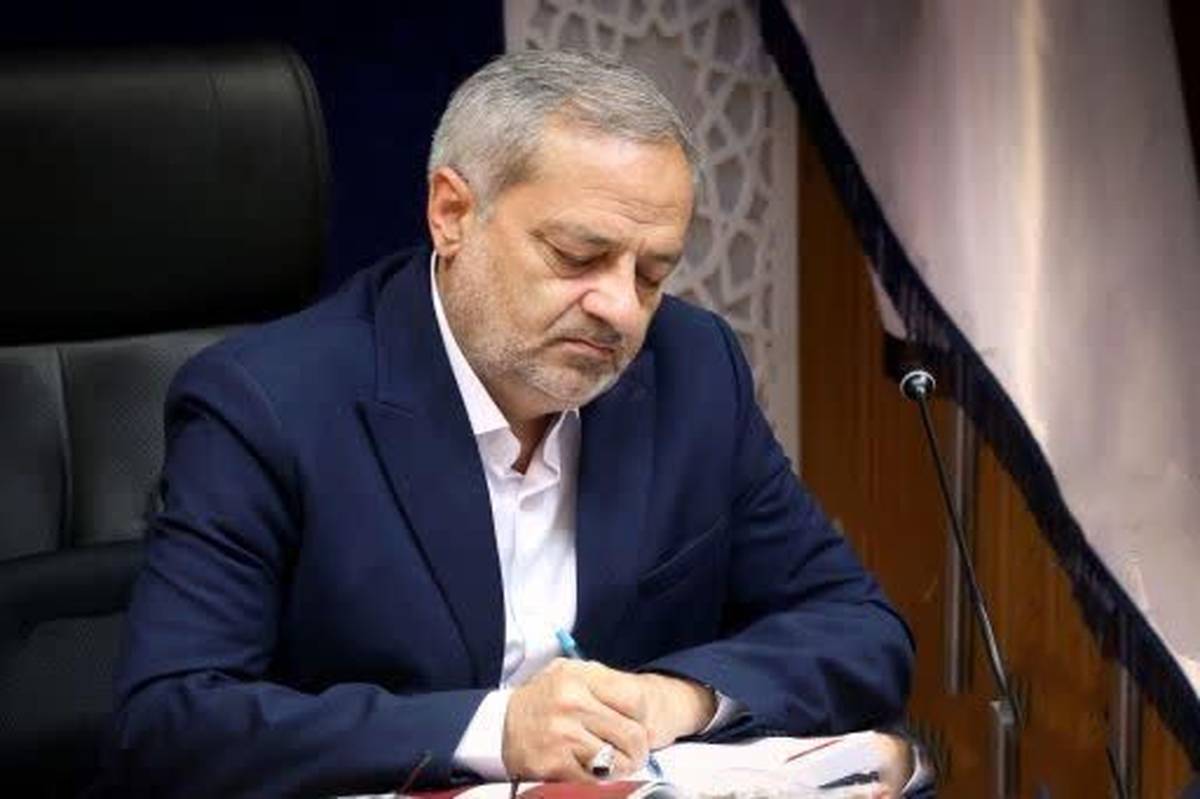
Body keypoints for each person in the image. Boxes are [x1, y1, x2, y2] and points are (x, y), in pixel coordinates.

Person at [106, 51, 919, 796]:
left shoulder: (691, 369)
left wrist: (675, 697)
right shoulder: (268, 402)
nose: (619, 308)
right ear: (452, 212)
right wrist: (497, 730)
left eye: (651, 273)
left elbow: (860, 630)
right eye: (578, 257)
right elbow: (172, 720)